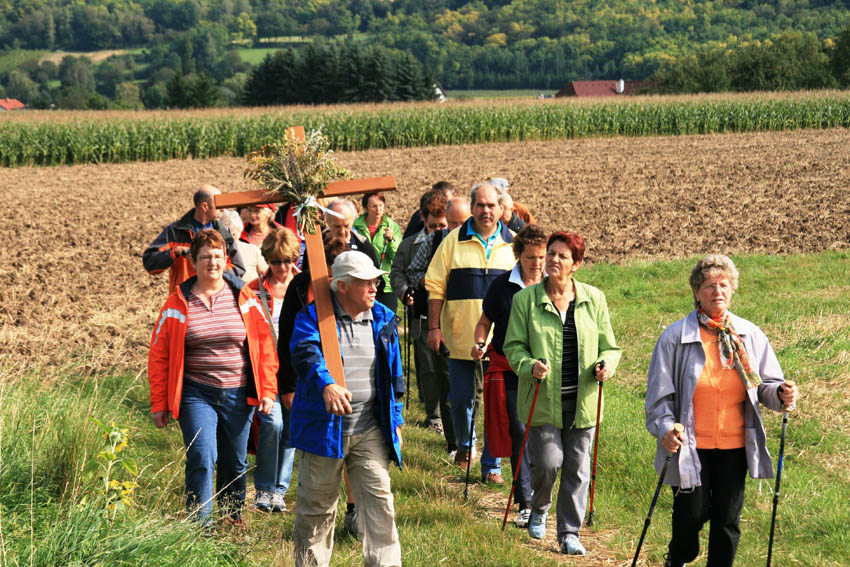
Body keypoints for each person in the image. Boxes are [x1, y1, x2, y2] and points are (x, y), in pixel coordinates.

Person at [645, 254, 800, 567]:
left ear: (732, 291)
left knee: (727, 520)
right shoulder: (675, 337)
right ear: (697, 293)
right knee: (691, 515)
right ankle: (680, 557)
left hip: (734, 446)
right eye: (709, 285)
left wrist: (783, 394)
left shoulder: (749, 336)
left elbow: (766, 387)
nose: (718, 291)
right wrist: (664, 429)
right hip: (691, 446)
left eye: (724, 285)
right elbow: (659, 398)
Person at [148, 229, 277, 526]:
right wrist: (159, 403)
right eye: (205, 257)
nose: (212, 262)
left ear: (226, 260)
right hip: (196, 393)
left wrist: (268, 390)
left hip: (238, 392)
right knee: (203, 458)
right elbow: (159, 356)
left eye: (218, 256)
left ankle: (232, 519)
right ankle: (199, 526)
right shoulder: (177, 303)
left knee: (234, 461)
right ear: (193, 261)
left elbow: (265, 346)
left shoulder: (244, 298)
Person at [503, 230, 621, 555]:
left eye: (562, 256)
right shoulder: (525, 301)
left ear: (576, 264)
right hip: (542, 400)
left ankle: (569, 532)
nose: (553, 260)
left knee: (578, 470)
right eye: (551, 253)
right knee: (548, 462)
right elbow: (513, 346)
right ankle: (540, 506)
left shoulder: (594, 299)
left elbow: (610, 347)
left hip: (583, 402)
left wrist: (606, 365)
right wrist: (529, 366)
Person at [290, 251, 404, 567]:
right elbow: (304, 353)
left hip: (370, 429)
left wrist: (396, 421)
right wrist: (326, 384)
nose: (375, 287)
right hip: (324, 430)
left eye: (375, 281)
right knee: (317, 509)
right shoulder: (313, 318)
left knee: (380, 504)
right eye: (366, 281)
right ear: (343, 287)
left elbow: (395, 379)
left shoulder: (382, 318)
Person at [425, 182, 514, 483]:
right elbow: (435, 286)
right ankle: (466, 445)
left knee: (496, 405)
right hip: (460, 337)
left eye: (492, 206)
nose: (486, 211)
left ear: (501, 209)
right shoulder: (452, 241)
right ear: (472, 207)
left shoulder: (514, 244)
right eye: (480, 205)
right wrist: (434, 328)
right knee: (461, 398)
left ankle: (492, 466)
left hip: (502, 342)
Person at [471, 224, 547, 528]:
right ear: (519, 256)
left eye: (542, 257)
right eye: (531, 257)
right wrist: (479, 343)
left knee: (544, 433)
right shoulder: (502, 287)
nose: (538, 264)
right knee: (519, 430)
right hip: (509, 366)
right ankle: (525, 502)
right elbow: (483, 322)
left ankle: (544, 496)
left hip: (546, 369)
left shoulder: (554, 286)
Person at [390, 190, 456, 452]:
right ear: (423, 220)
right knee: (427, 367)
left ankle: (450, 415)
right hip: (421, 314)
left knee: (447, 370)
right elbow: (398, 272)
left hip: (451, 315)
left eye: (443, 226)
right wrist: (405, 291)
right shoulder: (410, 245)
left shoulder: (454, 243)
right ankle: (434, 414)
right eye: (433, 226)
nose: (438, 231)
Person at [248, 228, 300, 513]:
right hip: (266, 368)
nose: (282, 268)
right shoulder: (253, 289)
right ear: (267, 260)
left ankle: (280, 490)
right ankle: (264, 488)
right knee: (272, 424)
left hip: (295, 368)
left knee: (291, 429)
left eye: (287, 261)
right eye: (276, 262)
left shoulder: (304, 286)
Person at [143, 185, 245, 294]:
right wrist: (175, 252)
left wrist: (213, 269)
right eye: (218, 206)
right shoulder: (175, 231)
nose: (223, 210)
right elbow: (150, 263)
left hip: (217, 298)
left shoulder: (223, 232)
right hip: (184, 299)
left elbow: (237, 268)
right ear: (205, 206)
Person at [406, 195, 471, 289]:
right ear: (447, 218)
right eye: (453, 223)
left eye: (463, 223)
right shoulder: (434, 239)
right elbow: (414, 271)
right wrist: (432, 284)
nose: (458, 228)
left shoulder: (481, 240)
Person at [353, 192, 402, 311]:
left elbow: (398, 256)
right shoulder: (355, 227)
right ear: (365, 208)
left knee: (388, 322)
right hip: (362, 281)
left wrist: (391, 241)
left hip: (386, 283)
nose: (378, 209)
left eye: (381, 205)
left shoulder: (392, 226)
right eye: (373, 206)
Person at [220, 209, 268, 282]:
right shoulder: (217, 252)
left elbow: (267, 273)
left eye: (234, 234)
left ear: (240, 231)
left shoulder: (252, 250)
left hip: (251, 291)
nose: (231, 239)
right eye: (227, 235)